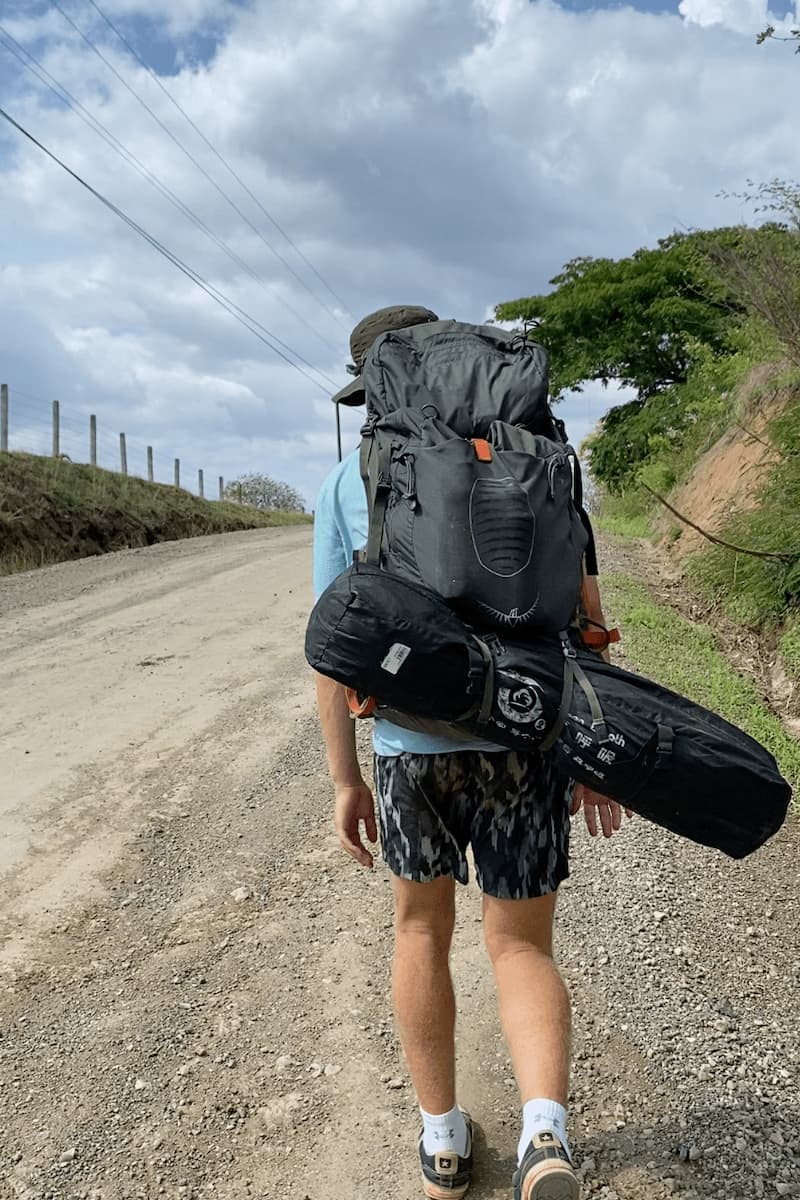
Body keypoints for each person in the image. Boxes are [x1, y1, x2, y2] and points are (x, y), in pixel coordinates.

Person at [312, 306, 630, 1200]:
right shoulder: (537, 461)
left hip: (411, 748)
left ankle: (444, 1145)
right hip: (525, 737)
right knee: (522, 949)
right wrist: (596, 755)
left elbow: (332, 651)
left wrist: (345, 777)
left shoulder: (350, 479)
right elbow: (586, 617)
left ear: (376, 383)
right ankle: (544, 1138)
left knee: (420, 929)